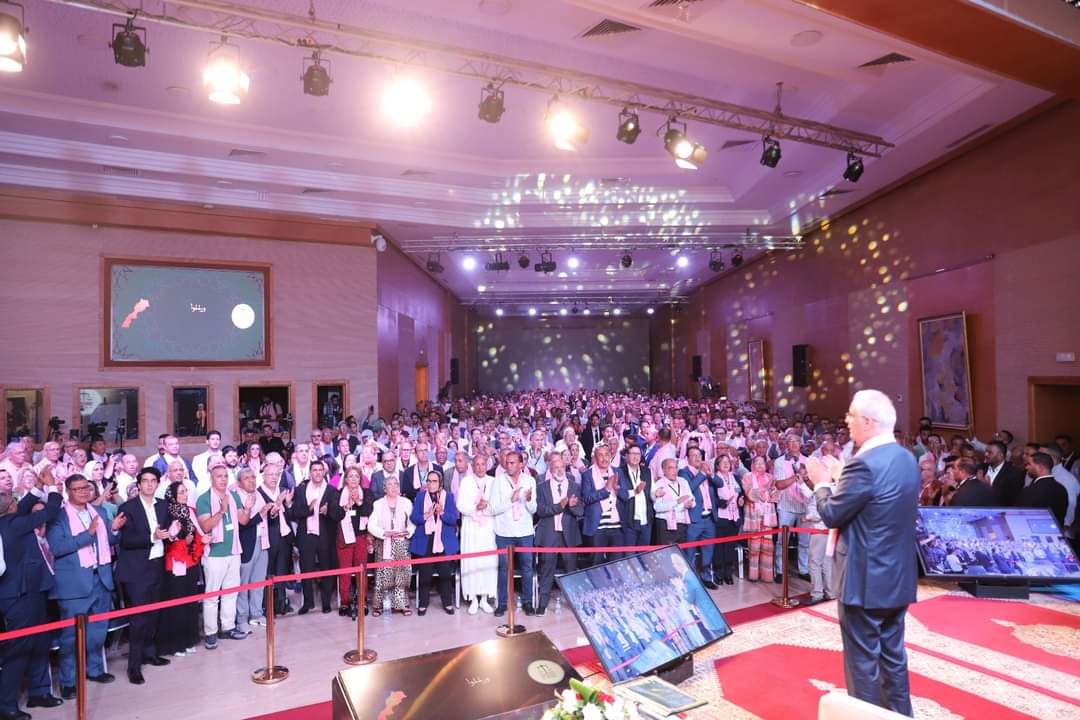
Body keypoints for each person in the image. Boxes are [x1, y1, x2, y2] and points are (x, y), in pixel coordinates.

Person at [806, 389, 919, 717]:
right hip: (897, 577)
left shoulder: (864, 465)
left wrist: (821, 484)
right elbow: (875, 505)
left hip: (865, 580)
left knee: (863, 666)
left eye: (852, 415)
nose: (847, 421)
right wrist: (844, 478)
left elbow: (832, 514)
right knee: (893, 659)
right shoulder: (906, 458)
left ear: (868, 421)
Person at [46, 474, 120, 699]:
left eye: (86, 488)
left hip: (101, 578)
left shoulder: (99, 511)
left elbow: (109, 540)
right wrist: (87, 535)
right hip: (74, 585)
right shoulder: (58, 516)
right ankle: (68, 681)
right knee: (70, 638)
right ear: (68, 492)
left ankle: (94, 669)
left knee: (98, 632)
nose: (83, 492)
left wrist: (115, 530)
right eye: (77, 489)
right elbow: (57, 547)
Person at [0, 482, 63, 716]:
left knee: (40, 642)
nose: (18, 502)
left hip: (32, 591)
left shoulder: (11, 519)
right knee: (19, 649)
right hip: (18, 595)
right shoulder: (14, 523)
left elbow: (23, 505)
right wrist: (54, 489)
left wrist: (37, 487)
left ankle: (39, 692)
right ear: (11, 507)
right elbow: (51, 510)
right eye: (13, 499)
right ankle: (6, 705)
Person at [115, 467, 173, 684]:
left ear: (158, 483)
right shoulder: (127, 507)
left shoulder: (163, 505)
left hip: (157, 565)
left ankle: (150, 653)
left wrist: (172, 533)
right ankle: (134, 666)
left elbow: (166, 532)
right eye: (145, 481)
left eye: (153, 480)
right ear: (139, 484)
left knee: (154, 614)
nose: (149, 484)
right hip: (136, 570)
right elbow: (126, 540)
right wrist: (152, 537)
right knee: (138, 619)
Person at [196, 463, 250, 649]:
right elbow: (205, 526)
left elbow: (243, 520)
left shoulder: (233, 496)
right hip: (215, 554)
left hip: (233, 550)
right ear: (211, 478)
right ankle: (210, 632)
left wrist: (247, 508)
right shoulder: (204, 499)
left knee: (231, 593)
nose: (223, 479)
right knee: (212, 596)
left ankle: (228, 627)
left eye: (225, 476)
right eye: (219, 476)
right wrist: (221, 511)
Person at [157, 481, 205, 658]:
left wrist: (198, 541)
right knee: (176, 603)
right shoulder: (167, 512)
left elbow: (196, 532)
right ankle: (176, 644)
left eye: (186, 491)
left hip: (190, 561)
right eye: (181, 492)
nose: (185, 494)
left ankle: (189, 640)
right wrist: (179, 540)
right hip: (175, 562)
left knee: (190, 602)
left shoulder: (189, 511)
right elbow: (165, 539)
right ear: (173, 495)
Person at [489, 450, 537, 617]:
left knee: (527, 568)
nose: (508, 465)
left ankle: (527, 602)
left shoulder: (530, 480)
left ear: (521, 464)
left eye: (512, 463)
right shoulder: (498, 481)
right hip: (504, 532)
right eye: (507, 462)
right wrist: (511, 500)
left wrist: (528, 500)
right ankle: (502, 603)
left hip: (525, 532)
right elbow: (493, 509)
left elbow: (534, 509)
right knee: (504, 568)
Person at [289, 459, 340, 614]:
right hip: (306, 535)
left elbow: (338, 514)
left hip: (325, 535)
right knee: (306, 569)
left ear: (324, 472)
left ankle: (326, 603)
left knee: (326, 568)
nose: (317, 473)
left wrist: (328, 511)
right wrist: (309, 509)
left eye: (320, 470)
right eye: (314, 470)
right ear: (310, 473)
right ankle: (308, 603)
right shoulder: (300, 490)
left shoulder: (332, 491)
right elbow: (294, 513)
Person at [534, 453, 583, 615]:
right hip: (549, 535)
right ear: (550, 469)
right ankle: (542, 603)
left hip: (569, 535)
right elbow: (541, 511)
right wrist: (559, 506)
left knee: (571, 570)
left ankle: (575, 604)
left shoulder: (574, 486)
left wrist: (572, 506)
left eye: (562, 467)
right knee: (546, 570)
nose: (560, 470)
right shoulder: (542, 487)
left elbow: (580, 511)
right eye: (556, 467)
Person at [409, 470, 459, 615]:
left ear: (440, 483)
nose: (431, 484)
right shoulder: (420, 497)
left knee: (445, 572)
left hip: (443, 540)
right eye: (429, 481)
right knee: (425, 572)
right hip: (426, 539)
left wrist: (442, 513)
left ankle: (447, 603)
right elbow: (414, 518)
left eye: (434, 481)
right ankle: (423, 604)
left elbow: (453, 520)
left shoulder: (448, 496)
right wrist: (426, 515)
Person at [457, 453, 498, 614]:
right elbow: (460, 505)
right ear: (473, 466)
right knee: (472, 561)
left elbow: (498, 505)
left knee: (487, 561)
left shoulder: (493, 482)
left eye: (483, 464)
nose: (480, 468)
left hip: (488, 528)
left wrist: (485, 507)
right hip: (471, 527)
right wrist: (475, 508)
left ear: (487, 465)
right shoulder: (466, 482)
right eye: (477, 464)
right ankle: (473, 598)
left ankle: (484, 599)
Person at [368, 476, 415, 616]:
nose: (393, 487)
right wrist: (384, 533)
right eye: (390, 484)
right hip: (384, 542)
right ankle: (379, 606)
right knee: (383, 575)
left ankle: (402, 604)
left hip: (402, 542)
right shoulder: (378, 504)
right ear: (384, 488)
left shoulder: (406, 502)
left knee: (402, 574)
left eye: (396, 484)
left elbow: (412, 523)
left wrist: (408, 532)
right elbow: (371, 525)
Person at [333, 466, 373, 617]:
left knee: (361, 571)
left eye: (356, 476)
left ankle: (362, 601)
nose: (354, 479)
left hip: (361, 537)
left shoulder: (366, 493)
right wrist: (344, 507)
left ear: (360, 479)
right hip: (344, 538)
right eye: (351, 476)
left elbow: (368, 511)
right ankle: (345, 602)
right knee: (345, 571)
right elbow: (333, 515)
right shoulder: (338, 494)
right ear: (346, 479)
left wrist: (358, 502)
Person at [234, 467, 270, 633]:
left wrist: (271, 512)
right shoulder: (235, 497)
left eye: (253, 477)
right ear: (239, 482)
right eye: (247, 478)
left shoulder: (259, 494)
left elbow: (264, 515)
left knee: (259, 581)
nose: (251, 481)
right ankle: (242, 618)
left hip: (262, 541)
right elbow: (242, 524)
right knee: (243, 584)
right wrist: (261, 515)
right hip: (246, 544)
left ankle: (256, 614)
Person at [257, 464, 295, 616]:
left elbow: (290, 516)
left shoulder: (283, 491)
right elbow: (262, 517)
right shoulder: (259, 493)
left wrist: (288, 504)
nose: (274, 477)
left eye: (276, 475)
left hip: (284, 536)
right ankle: (268, 606)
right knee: (268, 571)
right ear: (263, 476)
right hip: (268, 538)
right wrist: (276, 506)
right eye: (270, 474)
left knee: (282, 571)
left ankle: (281, 604)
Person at [680, 446, 719, 589]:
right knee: (689, 552)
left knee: (708, 550)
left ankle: (706, 577)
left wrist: (711, 474)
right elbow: (689, 488)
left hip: (709, 518)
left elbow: (720, 483)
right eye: (693, 455)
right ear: (687, 458)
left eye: (699, 455)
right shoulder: (683, 473)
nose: (697, 458)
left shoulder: (706, 471)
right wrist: (702, 474)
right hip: (694, 519)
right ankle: (690, 581)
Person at [741, 456, 777, 583]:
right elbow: (749, 493)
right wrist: (763, 490)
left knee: (768, 546)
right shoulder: (747, 477)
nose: (760, 465)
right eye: (757, 463)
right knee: (754, 546)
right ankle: (753, 575)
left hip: (767, 515)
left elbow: (776, 495)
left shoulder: (771, 477)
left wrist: (772, 492)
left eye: (762, 463)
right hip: (753, 515)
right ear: (752, 465)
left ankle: (767, 575)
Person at [712, 454, 742, 586]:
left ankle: (728, 574)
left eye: (728, 462)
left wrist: (741, 500)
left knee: (730, 547)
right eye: (722, 462)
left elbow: (741, 494)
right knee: (719, 548)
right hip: (721, 517)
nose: (726, 464)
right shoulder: (714, 479)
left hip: (734, 517)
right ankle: (718, 574)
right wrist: (723, 503)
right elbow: (712, 498)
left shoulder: (735, 477)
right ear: (717, 465)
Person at [618, 444, 653, 549]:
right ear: (626, 456)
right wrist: (635, 491)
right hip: (628, 520)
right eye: (633, 453)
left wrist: (656, 493)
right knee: (629, 554)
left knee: (644, 554)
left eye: (638, 454)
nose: (635, 456)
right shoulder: (619, 472)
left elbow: (652, 492)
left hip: (645, 520)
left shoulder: (647, 471)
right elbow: (620, 493)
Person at [652, 458, 693, 546]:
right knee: (666, 552)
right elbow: (657, 507)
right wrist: (676, 502)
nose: (674, 471)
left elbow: (692, 499)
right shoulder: (659, 484)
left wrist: (690, 504)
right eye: (670, 468)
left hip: (682, 523)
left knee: (681, 552)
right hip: (665, 524)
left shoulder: (683, 481)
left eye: (676, 467)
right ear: (663, 470)